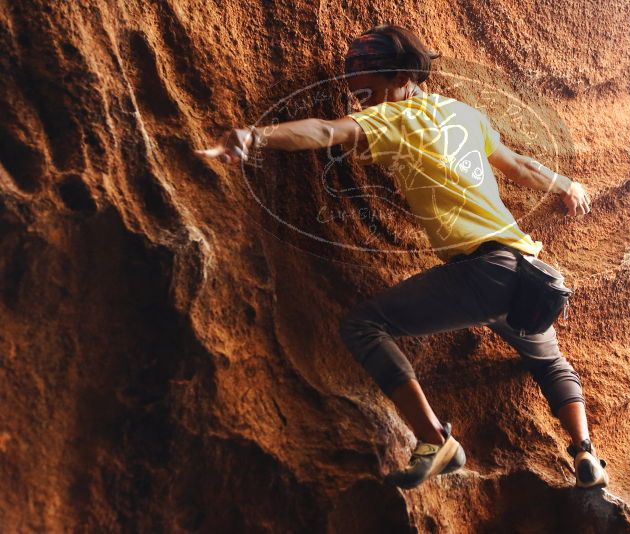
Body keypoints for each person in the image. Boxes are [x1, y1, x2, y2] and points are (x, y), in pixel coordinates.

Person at [195, 24, 608, 491]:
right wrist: (567, 186)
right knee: (549, 362)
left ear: (395, 79)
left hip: (483, 273)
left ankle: (435, 440)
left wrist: (254, 137)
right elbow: (520, 166)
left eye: (366, 91)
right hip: (527, 272)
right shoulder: (464, 114)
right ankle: (585, 454)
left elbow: (326, 131)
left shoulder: (393, 118)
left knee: (362, 326)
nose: (361, 102)